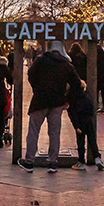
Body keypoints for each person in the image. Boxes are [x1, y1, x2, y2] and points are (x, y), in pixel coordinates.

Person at [20, 40, 82, 173]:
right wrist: (67, 98)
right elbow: (77, 84)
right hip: (57, 102)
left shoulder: (40, 60)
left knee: (33, 130)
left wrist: (36, 88)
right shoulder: (66, 64)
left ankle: (29, 161)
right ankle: (53, 162)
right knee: (54, 132)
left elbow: (31, 74)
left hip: (39, 100)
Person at [66, 70, 101, 170]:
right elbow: (91, 108)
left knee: (80, 142)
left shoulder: (72, 100)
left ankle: (81, 161)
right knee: (92, 139)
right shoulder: (86, 97)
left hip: (79, 121)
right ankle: (97, 157)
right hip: (88, 119)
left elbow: (72, 114)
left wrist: (76, 126)